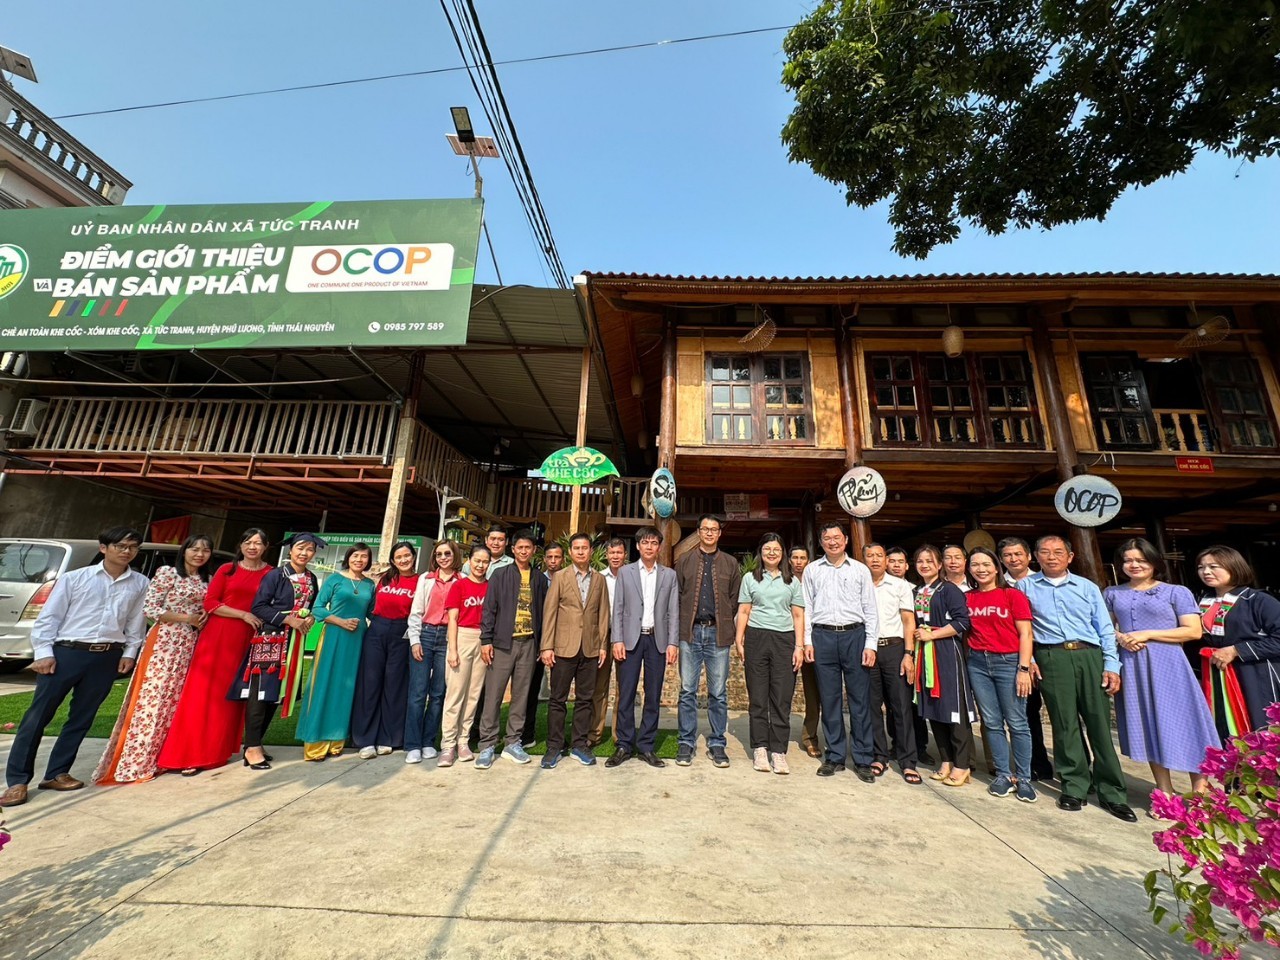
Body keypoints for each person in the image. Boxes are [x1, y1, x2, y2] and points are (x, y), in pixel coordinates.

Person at [2, 526, 148, 807]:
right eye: (120, 545)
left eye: (132, 547)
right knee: (38, 717)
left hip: (106, 657)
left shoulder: (140, 583)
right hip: (66, 653)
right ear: (103, 548)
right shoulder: (75, 579)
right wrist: (44, 653)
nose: (126, 551)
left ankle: (57, 773)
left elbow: (135, 623)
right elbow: (49, 618)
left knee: (82, 718)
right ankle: (18, 781)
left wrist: (129, 653)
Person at [1016, 535, 1136, 822]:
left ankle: (1112, 792)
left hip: (1088, 655)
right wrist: (1030, 661)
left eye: (1058, 552)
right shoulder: (1025, 586)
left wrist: (1111, 664)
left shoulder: (1087, 586)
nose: (1051, 556)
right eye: (1045, 552)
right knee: (1064, 723)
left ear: (1070, 557)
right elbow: (1024, 628)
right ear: (1036, 556)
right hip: (1051, 657)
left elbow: (1104, 627)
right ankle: (1074, 786)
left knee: (1098, 724)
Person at [1105, 538, 1218, 804]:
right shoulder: (1112, 593)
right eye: (1128, 560)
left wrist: (1146, 634)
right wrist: (1120, 637)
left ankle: (1200, 792)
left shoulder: (1175, 592)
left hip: (1169, 664)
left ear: (1154, 562)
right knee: (1148, 723)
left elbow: (1192, 630)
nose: (1134, 565)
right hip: (1132, 665)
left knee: (1187, 723)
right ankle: (1164, 791)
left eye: (1141, 560)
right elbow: (1105, 627)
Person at [94, 535, 214, 784]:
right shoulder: (168, 573)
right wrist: (186, 619)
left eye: (205, 550)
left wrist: (201, 617)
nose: (199, 554)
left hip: (191, 644)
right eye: (194, 549)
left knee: (176, 701)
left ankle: (165, 757)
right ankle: (137, 763)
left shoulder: (206, 579)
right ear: (185, 550)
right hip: (165, 641)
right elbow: (150, 609)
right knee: (153, 701)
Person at [157, 529, 272, 775]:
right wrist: (242, 614)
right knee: (205, 694)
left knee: (237, 697)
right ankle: (190, 754)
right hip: (220, 636)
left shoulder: (271, 573)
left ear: (266, 547)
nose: (252, 547)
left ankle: (224, 749)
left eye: (258, 543)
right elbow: (210, 602)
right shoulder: (226, 570)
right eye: (247, 542)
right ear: (240, 545)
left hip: (251, 638)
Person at [233, 533, 321, 771]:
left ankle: (256, 743)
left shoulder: (312, 577)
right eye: (300, 548)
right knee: (260, 693)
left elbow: (309, 606)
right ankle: (251, 746)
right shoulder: (275, 575)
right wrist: (288, 620)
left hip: (294, 642)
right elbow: (259, 606)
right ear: (290, 550)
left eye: (310, 549)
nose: (304, 553)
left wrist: (309, 617)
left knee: (278, 693)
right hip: (271, 639)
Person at [803, 521, 880, 782]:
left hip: (854, 636)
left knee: (860, 701)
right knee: (830, 699)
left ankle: (863, 758)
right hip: (822, 636)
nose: (832, 542)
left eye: (837, 537)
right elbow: (807, 608)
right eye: (827, 538)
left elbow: (870, 609)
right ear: (822, 542)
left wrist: (870, 643)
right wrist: (807, 641)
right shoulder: (812, 570)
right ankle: (834, 755)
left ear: (845, 540)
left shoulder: (860, 570)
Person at [966, 547, 1037, 803]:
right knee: (992, 722)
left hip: (1009, 662)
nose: (981, 569)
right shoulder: (968, 598)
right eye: (975, 565)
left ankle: (1025, 778)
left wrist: (1024, 668)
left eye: (986, 564)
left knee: (1017, 722)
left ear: (996, 567)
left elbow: (1026, 634)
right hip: (977, 663)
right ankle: (1003, 774)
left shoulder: (1012, 595)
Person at [606, 526, 679, 769]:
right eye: (644, 542)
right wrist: (617, 639)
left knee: (653, 694)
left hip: (656, 640)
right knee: (626, 693)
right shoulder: (625, 573)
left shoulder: (669, 575)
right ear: (637, 546)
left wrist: (672, 642)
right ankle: (624, 744)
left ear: (659, 547)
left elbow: (673, 612)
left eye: (654, 543)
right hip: (629, 641)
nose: (649, 547)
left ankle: (646, 745)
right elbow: (618, 608)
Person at [475, 531, 548, 769]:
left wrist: (541, 643)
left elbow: (543, 613)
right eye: (520, 547)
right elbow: (489, 609)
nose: (524, 551)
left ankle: (513, 742)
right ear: (513, 549)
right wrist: (486, 640)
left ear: (533, 550)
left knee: (521, 696)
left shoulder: (538, 578)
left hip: (529, 643)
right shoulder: (499, 574)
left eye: (528, 547)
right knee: (494, 695)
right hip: (502, 643)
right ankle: (486, 744)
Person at [297, 543, 375, 762]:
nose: (359, 560)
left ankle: (336, 741)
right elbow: (319, 608)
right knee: (325, 685)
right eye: (355, 555)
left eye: (364, 557)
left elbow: (373, 611)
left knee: (346, 688)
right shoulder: (335, 579)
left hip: (358, 639)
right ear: (348, 557)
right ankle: (315, 742)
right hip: (334, 636)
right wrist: (340, 621)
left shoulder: (370, 584)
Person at [674, 514, 742, 768]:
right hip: (690, 633)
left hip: (718, 634)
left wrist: (724, 619)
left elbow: (734, 598)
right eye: (705, 529)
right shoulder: (685, 561)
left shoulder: (730, 563)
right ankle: (686, 742)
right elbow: (679, 594)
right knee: (687, 691)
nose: (710, 533)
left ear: (719, 534)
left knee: (718, 693)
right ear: (699, 532)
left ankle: (717, 744)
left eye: (714, 529)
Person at [735, 533, 805, 775]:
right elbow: (744, 610)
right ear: (760, 552)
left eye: (776, 549)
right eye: (767, 549)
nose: (772, 553)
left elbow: (797, 615)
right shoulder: (750, 578)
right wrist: (739, 639)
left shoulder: (792, 582)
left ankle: (779, 751)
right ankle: (760, 748)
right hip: (756, 638)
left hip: (784, 640)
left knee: (781, 697)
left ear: (782, 552)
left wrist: (799, 646)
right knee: (758, 697)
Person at [540, 533, 610, 769]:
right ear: (570, 552)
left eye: (585, 548)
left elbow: (603, 614)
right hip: (563, 647)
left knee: (585, 699)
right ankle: (554, 746)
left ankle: (579, 744)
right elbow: (549, 613)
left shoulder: (599, 579)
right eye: (576, 548)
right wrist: (546, 646)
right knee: (558, 699)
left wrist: (602, 645)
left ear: (591, 551)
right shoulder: (560, 577)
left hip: (589, 648)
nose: (581, 552)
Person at [1196, 545, 1280, 737]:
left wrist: (1236, 650)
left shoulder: (1258, 600)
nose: (1206, 571)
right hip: (1215, 675)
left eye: (1213, 566)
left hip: (1256, 675)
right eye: (1201, 567)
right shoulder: (1201, 601)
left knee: (1261, 729)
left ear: (1233, 566)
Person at [912, 544, 975, 787]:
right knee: (934, 707)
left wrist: (933, 635)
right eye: (920, 561)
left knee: (953, 706)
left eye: (930, 560)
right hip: (924, 653)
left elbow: (962, 622)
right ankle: (946, 760)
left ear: (939, 565)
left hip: (947, 651)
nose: (925, 565)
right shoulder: (918, 590)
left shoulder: (949, 590)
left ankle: (962, 763)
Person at [352, 541, 419, 759]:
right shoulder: (385, 579)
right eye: (398, 557)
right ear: (392, 560)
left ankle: (388, 737)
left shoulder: (420, 581)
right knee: (370, 683)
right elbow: (372, 608)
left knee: (395, 685)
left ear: (413, 556)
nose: (403, 560)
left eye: (407, 555)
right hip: (377, 631)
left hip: (402, 632)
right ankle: (365, 739)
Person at [862, 543, 920, 784]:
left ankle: (908, 761)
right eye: (870, 556)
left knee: (901, 706)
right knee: (872, 706)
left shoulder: (900, 586)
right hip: (868, 649)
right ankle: (879, 755)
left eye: (879, 556)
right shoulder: (860, 584)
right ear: (863, 559)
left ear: (886, 560)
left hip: (895, 648)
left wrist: (909, 654)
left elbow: (908, 621)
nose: (875, 560)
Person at [1000, 536, 1053, 782]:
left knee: (1062, 714)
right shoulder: (1000, 585)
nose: (1013, 559)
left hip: (1047, 650)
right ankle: (1037, 764)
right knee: (1027, 712)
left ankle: (1073, 768)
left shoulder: (1043, 582)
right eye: (1008, 555)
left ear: (1029, 556)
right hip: (1019, 655)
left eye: (1018, 554)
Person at [405, 540, 463, 763]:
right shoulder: (426, 579)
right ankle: (412, 744)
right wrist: (414, 640)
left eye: (447, 553)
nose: (443, 557)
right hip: (426, 635)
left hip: (448, 639)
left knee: (438, 693)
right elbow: (416, 610)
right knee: (418, 692)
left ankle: (428, 740)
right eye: (439, 554)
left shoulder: (462, 581)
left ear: (454, 555)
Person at [438, 546, 490, 767]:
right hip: (462, 636)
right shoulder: (459, 585)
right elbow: (452, 618)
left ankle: (463, 741)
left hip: (484, 639)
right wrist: (453, 649)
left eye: (485, 562)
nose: (480, 565)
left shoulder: (491, 587)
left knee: (473, 695)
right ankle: (448, 745)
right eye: (477, 561)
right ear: (470, 561)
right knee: (455, 694)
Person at [464, 526, 512, 748]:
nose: (496, 543)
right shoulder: (470, 564)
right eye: (492, 539)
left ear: (506, 543)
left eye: (500, 540)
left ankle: (483, 730)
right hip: (471, 628)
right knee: (468, 685)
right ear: (486, 539)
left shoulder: (511, 565)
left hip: (497, 632)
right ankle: (466, 731)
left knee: (488, 686)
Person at [889, 544, 930, 762]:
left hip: (919, 649)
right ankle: (897, 744)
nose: (895, 565)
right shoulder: (881, 587)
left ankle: (920, 747)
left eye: (900, 562)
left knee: (914, 702)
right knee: (894, 700)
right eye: (892, 561)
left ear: (906, 566)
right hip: (896, 650)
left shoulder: (916, 590)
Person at [521, 542, 565, 748]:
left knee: (559, 692)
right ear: (544, 559)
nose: (554, 561)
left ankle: (557, 736)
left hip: (564, 642)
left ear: (563, 559)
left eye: (557, 557)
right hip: (537, 641)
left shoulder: (568, 579)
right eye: (550, 557)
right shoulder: (537, 579)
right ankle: (526, 733)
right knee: (530, 687)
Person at [588, 538, 628, 748]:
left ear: (625, 555)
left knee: (623, 687)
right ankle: (594, 733)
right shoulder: (598, 577)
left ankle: (619, 735)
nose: (615, 557)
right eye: (612, 553)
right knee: (599, 687)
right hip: (602, 636)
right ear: (606, 555)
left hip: (625, 638)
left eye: (619, 553)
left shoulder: (632, 576)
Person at [790, 545, 822, 759]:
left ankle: (810, 737)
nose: (799, 561)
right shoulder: (784, 581)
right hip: (787, 641)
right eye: (795, 558)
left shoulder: (816, 581)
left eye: (803, 557)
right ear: (790, 560)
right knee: (783, 691)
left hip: (812, 641)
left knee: (814, 694)